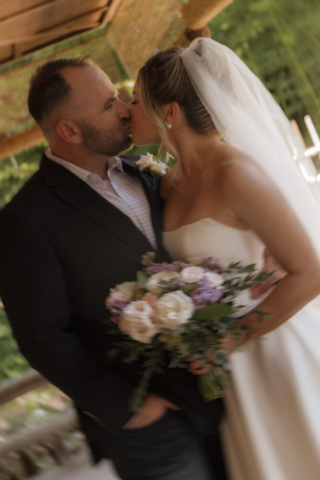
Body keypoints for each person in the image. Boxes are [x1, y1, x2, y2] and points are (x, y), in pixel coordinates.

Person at [0, 56, 232, 480]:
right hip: (150, 430)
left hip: (217, 397)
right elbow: (43, 338)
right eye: (108, 104)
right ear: (69, 131)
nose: (126, 108)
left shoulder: (144, 172)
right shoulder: (24, 220)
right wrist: (132, 410)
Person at [129, 37, 320, 480]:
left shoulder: (237, 174)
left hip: (274, 350)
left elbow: (310, 272)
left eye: (136, 101)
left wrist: (232, 337)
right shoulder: (169, 183)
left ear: (169, 113)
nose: (126, 109)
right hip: (226, 374)